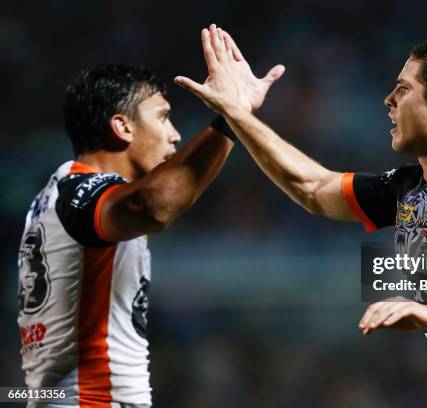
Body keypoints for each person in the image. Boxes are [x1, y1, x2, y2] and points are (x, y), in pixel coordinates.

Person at [175, 25, 427, 407]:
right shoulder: (414, 187)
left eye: (404, 88)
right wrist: (235, 114)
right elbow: (313, 188)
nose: (388, 100)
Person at [17, 45, 284, 406]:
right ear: (122, 126)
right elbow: (154, 206)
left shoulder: (55, 198)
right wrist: (231, 117)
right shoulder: (80, 192)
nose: (174, 134)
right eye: (163, 117)